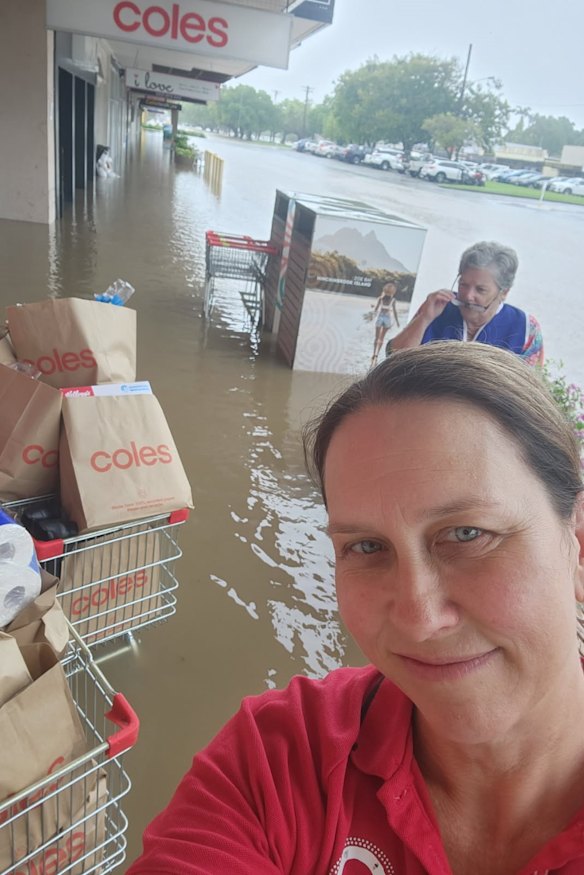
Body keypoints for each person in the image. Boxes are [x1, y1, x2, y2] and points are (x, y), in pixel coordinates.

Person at [126, 343, 584, 875]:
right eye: (366, 547)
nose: (418, 618)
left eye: (467, 534)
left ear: (576, 541)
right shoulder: (282, 760)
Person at [386, 241, 544, 365]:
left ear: (504, 293)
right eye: (463, 284)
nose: (468, 296)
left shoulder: (525, 328)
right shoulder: (437, 306)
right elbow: (393, 358)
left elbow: (528, 390)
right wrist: (424, 319)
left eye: (480, 290)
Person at [370, 281, 400, 365]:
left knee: (377, 338)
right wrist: (397, 322)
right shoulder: (393, 300)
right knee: (381, 338)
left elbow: (376, 310)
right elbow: (394, 311)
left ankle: (374, 354)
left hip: (380, 317)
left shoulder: (381, 298)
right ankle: (377, 354)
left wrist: (371, 316)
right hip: (387, 319)